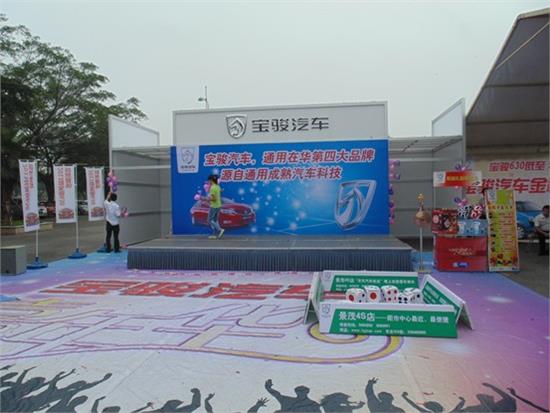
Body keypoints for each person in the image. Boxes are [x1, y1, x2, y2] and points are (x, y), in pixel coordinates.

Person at [204, 175, 224, 240]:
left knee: (209, 220)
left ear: (211, 180)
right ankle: (215, 235)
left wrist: (206, 198)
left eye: (209, 180)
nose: (208, 182)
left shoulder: (212, 188)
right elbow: (221, 191)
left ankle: (220, 230)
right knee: (215, 221)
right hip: (219, 205)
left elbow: (214, 199)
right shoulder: (217, 186)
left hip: (214, 206)